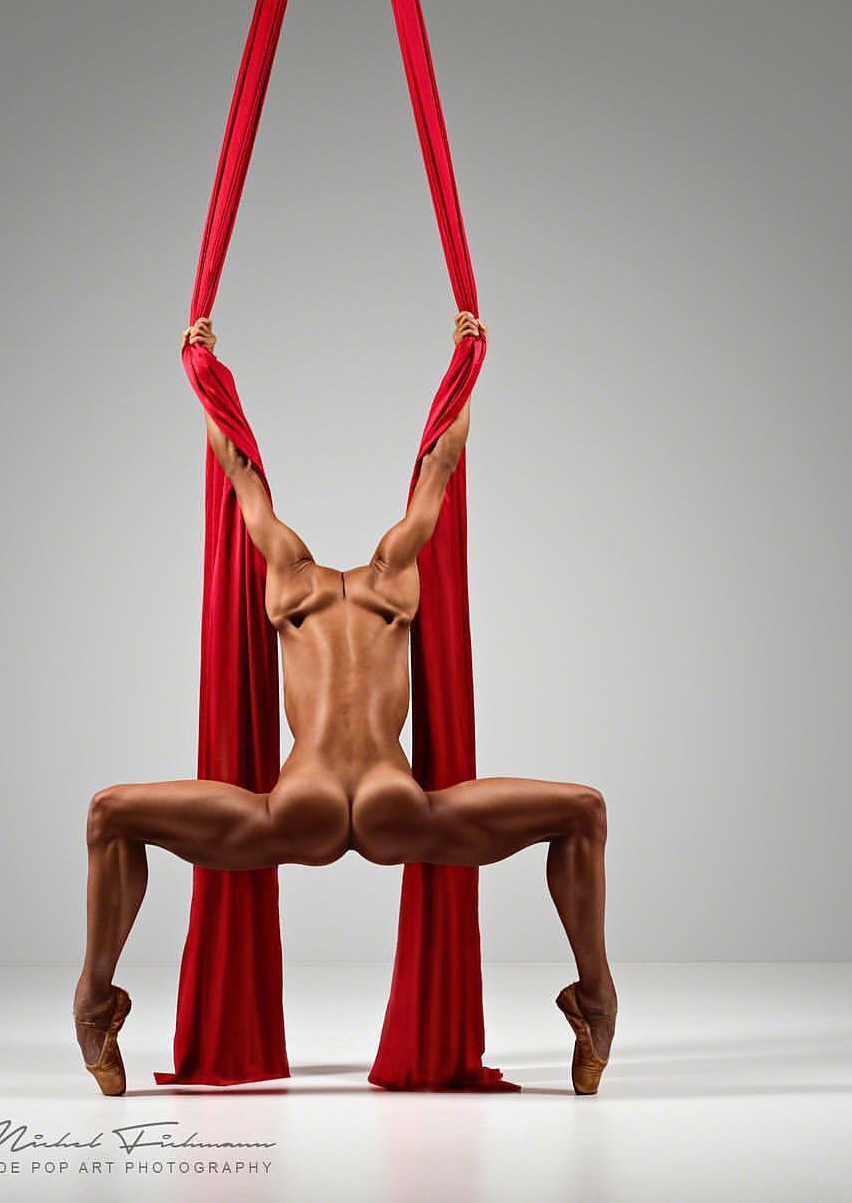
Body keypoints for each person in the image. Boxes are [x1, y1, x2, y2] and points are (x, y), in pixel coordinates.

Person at [73, 312, 617, 1096]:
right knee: (583, 811)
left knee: (110, 815)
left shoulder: (289, 580)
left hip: (302, 805)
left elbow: (239, 471)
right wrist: (468, 361)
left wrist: (204, 373)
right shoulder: (394, 577)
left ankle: (95, 1002)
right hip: (401, 806)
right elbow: (441, 463)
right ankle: (595, 999)